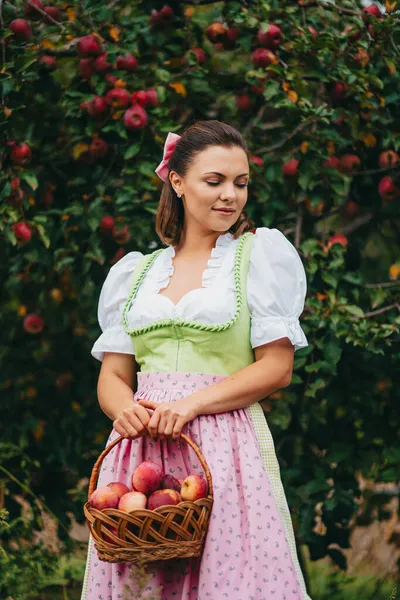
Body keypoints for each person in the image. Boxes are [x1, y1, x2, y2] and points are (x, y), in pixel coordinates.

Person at [81, 120, 312, 600]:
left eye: (241, 183)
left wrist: (191, 405)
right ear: (178, 183)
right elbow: (113, 376)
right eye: (215, 181)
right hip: (140, 450)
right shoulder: (136, 272)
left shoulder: (257, 257)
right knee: (142, 581)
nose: (230, 195)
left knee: (230, 580)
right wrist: (123, 409)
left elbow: (276, 367)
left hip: (223, 446)